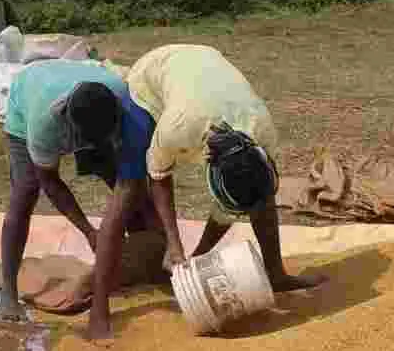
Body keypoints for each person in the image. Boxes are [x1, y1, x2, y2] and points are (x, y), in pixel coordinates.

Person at [117, 44, 324, 298]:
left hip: (207, 63)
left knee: (258, 196)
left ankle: (276, 274)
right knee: (134, 175)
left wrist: (197, 259)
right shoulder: (177, 127)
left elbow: (256, 197)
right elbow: (158, 175)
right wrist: (174, 241)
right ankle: (156, 252)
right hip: (151, 77)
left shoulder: (262, 132)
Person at [0, 58, 157, 320]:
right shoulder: (43, 125)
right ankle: (8, 289)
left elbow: (134, 178)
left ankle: (141, 263)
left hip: (88, 101)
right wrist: (89, 232)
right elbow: (51, 183)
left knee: (123, 180)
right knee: (25, 193)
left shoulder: (123, 97)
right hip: (28, 92)